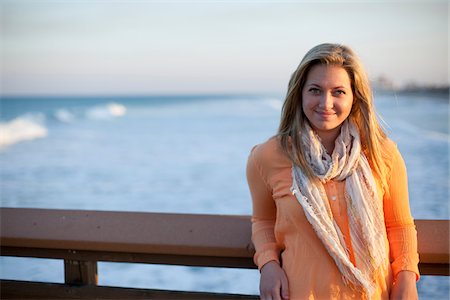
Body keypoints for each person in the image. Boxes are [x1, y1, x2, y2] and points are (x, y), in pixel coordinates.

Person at [246, 43, 419, 300]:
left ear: (354, 97)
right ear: (300, 94)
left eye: (338, 92)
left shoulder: (383, 154)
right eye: (315, 90)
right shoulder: (268, 156)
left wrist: (406, 277)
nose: (326, 103)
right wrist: (268, 264)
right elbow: (263, 221)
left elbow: (400, 225)